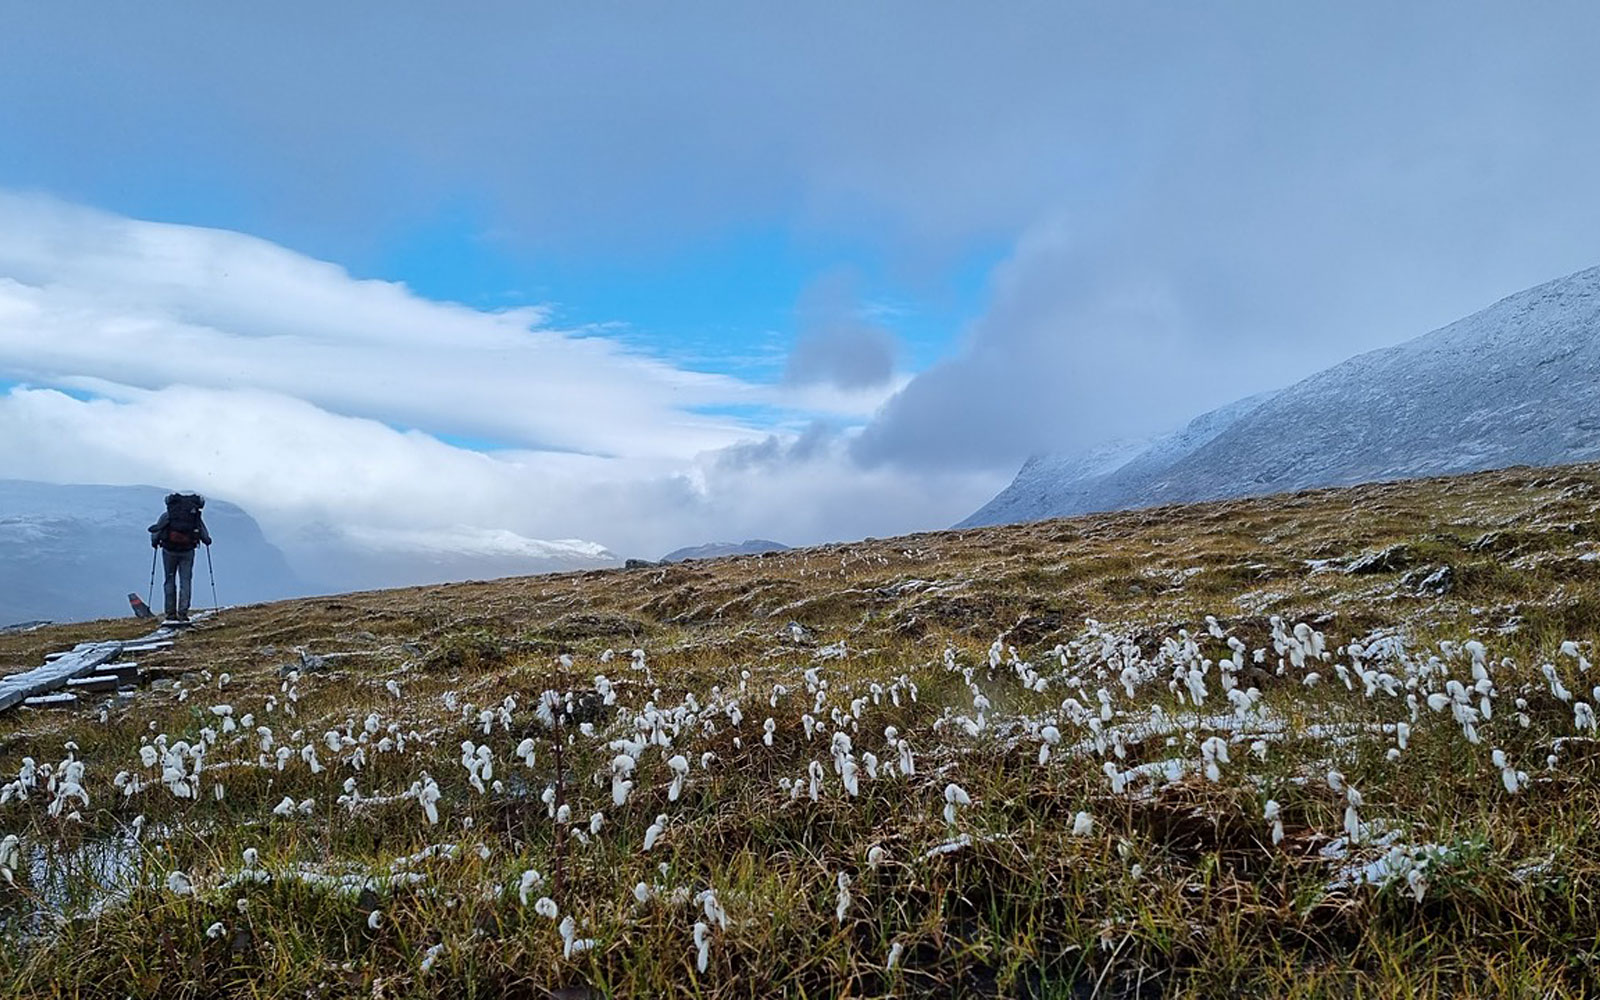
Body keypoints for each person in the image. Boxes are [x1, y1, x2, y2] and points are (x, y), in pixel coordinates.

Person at [148, 492, 212, 622]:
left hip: (169, 551)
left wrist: (155, 543)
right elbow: (205, 536)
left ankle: (170, 614)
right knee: (185, 581)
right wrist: (207, 541)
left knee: (169, 580)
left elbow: (157, 531)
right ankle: (183, 613)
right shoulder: (194, 518)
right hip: (187, 551)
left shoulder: (168, 516)